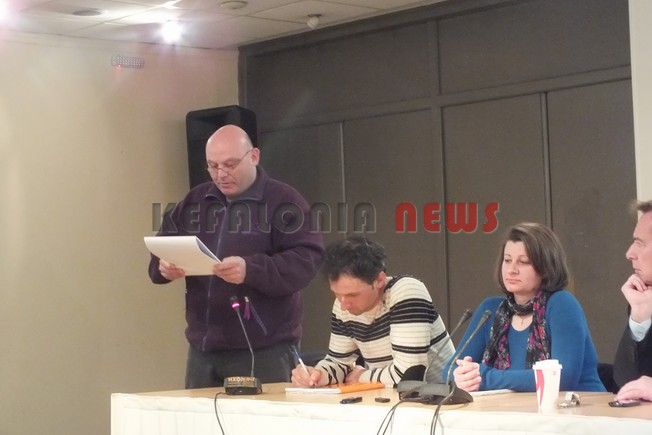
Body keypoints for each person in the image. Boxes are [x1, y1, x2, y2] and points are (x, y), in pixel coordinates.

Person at [148, 124, 324, 388]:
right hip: (203, 349)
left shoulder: (284, 201)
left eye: (230, 165)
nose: (221, 174)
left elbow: (306, 260)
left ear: (254, 156)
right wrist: (163, 268)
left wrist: (250, 270)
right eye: (213, 166)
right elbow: (160, 250)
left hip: (266, 348)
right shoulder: (195, 201)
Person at [446, 222, 605, 392]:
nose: (511, 270)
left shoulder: (562, 305)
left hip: (580, 406)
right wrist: (461, 377)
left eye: (523, 262)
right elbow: (449, 370)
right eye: (507, 260)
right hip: (515, 408)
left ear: (545, 268)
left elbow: (561, 378)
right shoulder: (490, 310)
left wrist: (485, 377)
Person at [290, 236, 455, 387]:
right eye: (337, 294)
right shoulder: (343, 304)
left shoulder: (407, 292)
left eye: (353, 295)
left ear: (379, 280)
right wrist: (318, 375)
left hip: (441, 397)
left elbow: (408, 375)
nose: (343, 305)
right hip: (391, 397)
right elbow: (339, 362)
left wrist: (362, 377)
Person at [614, 200, 652, 402]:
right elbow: (627, 383)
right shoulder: (646, 296)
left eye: (640, 243)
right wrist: (640, 316)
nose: (629, 253)